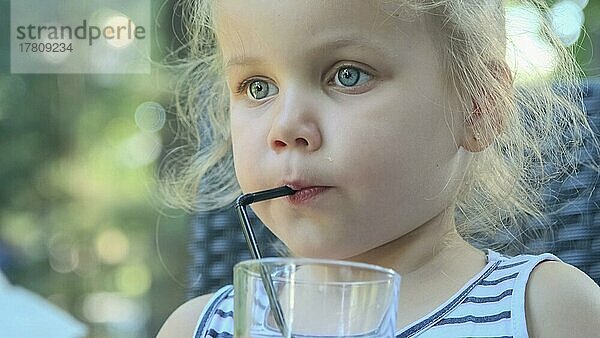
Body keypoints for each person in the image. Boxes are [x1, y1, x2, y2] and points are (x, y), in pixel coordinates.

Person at [158, 0, 600, 336]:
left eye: (347, 75)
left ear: (478, 104)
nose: (286, 126)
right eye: (257, 87)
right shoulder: (198, 327)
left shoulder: (547, 311)